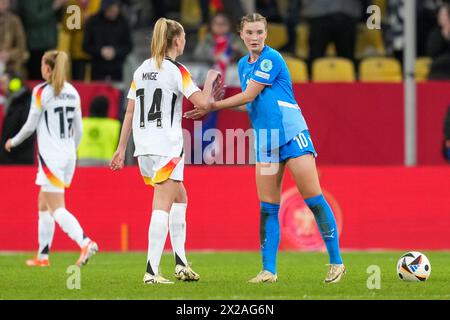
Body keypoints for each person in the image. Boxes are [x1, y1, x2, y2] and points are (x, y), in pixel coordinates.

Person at [185, 13, 345, 284]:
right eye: (250, 33)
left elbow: (249, 94)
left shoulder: (272, 58)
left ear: (266, 34)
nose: (255, 37)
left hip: (292, 133)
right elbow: (250, 103)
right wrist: (222, 103)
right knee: (268, 207)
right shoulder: (243, 65)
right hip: (266, 140)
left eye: (259, 32)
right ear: (242, 35)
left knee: (313, 199)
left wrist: (211, 105)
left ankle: (336, 262)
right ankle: (268, 271)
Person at [110, 18, 221, 284]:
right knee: (162, 205)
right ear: (177, 41)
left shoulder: (141, 70)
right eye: (183, 37)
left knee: (180, 197)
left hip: (144, 148)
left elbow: (130, 110)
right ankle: (151, 271)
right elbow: (204, 102)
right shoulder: (177, 71)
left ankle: (181, 263)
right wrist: (210, 80)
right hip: (167, 147)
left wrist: (121, 148)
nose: (185, 41)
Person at [4, 50, 98, 267]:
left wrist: (13, 141)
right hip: (68, 157)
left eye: (42, 65)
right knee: (43, 204)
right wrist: (70, 151)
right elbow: (79, 130)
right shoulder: (73, 92)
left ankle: (85, 242)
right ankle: (43, 256)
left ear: (47, 68)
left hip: (51, 158)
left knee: (57, 208)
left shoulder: (41, 92)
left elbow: (30, 125)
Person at [82, 0, 133, 81]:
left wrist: (115, 51)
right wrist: (101, 51)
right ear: (104, 9)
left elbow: (129, 46)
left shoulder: (123, 22)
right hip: (97, 69)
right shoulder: (93, 21)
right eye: (109, 10)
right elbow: (85, 46)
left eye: (115, 9)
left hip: (117, 69)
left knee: (118, 91)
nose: (112, 12)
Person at [0, 72, 34, 164]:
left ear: (14, 84)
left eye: (3, 83)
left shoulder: (25, 103)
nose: (1, 87)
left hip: (19, 159)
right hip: (10, 156)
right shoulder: (12, 101)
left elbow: (27, 132)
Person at [77, 95, 120, 166]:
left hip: (83, 164)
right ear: (107, 109)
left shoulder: (82, 123)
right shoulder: (115, 125)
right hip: (107, 164)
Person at [0, 0, 27, 75]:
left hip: (11, 67)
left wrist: (8, 54)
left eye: (4, 2)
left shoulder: (14, 21)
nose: (2, 4)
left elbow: (22, 47)